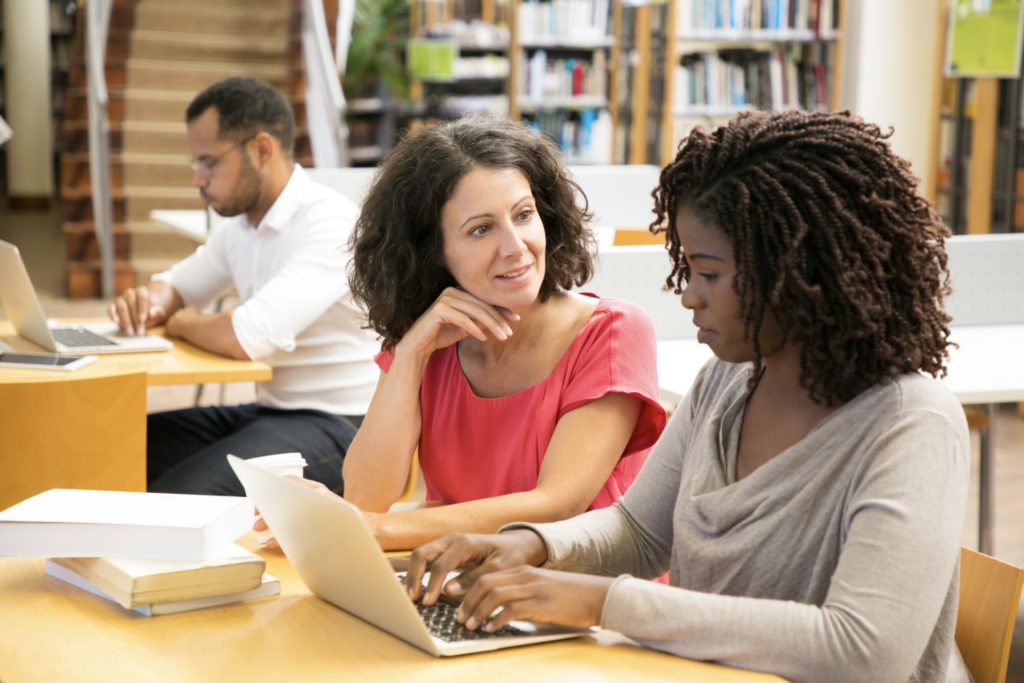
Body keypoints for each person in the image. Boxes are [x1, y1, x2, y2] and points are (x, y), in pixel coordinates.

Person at [403, 110, 972, 682]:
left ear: (796, 272)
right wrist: (529, 546)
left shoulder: (911, 423)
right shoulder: (729, 380)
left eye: (708, 274)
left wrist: (598, 602)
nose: (689, 297)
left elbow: (862, 652)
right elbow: (640, 531)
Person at [258, 114, 667, 551]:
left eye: (524, 215)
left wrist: (363, 528)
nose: (515, 247)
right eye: (481, 229)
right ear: (433, 254)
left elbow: (555, 506)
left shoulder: (612, 333)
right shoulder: (425, 338)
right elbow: (366, 495)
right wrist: (412, 352)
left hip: (581, 597)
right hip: (462, 583)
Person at [108, 76, 379, 496]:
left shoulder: (329, 223)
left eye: (208, 162)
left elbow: (243, 337)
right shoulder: (243, 227)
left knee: (183, 494)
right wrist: (151, 302)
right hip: (271, 410)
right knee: (115, 445)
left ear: (261, 149)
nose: (198, 179)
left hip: (344, 426)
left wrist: (180, 322)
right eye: (194, 164)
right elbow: (177, 286)